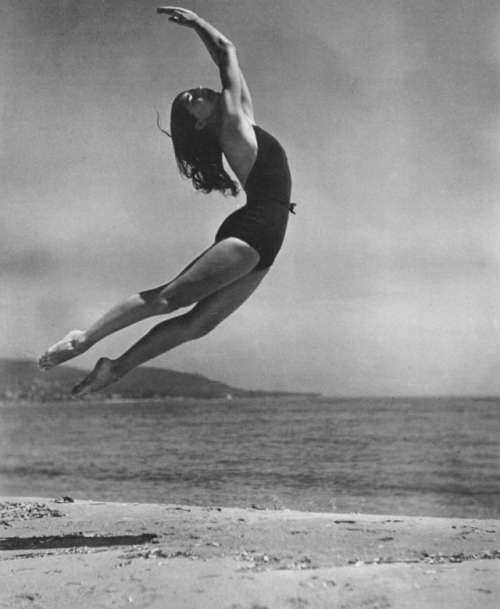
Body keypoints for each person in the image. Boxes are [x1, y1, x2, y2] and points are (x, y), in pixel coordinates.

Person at [38, 7, 294, 396]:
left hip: (269, 238)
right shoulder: (232, 127)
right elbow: (227, 51)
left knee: (200, 325)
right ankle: (83, 339)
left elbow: (231, 66)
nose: (199, 92)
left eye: (195, 92)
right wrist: (196, 25)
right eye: (192, 100)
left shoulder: (244, 119)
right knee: (169, 298)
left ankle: (116, 367)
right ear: (201, 124)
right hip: (254, 230)